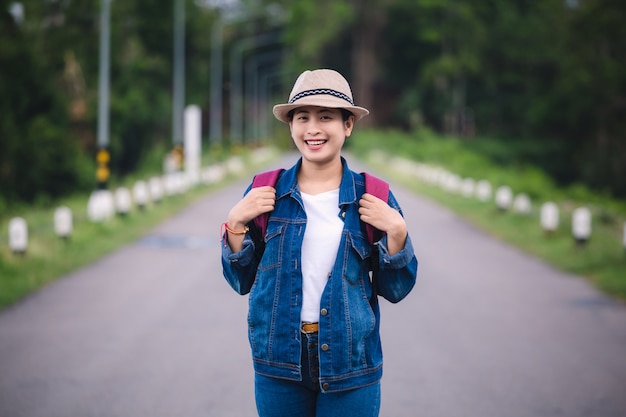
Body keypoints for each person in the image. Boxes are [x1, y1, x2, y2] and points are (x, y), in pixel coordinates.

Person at [221, 68, 418, 417]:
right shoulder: (265, 192)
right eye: (302, 117)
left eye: (325, 116)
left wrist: (397, 235)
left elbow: (395, 289)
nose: (312, 128)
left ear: (348, 125)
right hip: (279, 362)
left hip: (350, 365)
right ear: (291, 125)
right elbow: (241, 281)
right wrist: (235, 224)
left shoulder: (374, 197)